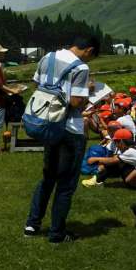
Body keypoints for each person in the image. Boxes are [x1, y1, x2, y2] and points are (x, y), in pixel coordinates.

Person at [24, 35, 100, 243]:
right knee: (66, 184)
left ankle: (32, 224)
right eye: (91, 56)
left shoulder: (48, 57)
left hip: (49, 124)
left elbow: (36, 84)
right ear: (89, 50)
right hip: (70, 129)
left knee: (48, 177)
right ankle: (57, 232)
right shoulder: (81, 68)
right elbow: (75, 102)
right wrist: (89, 91)